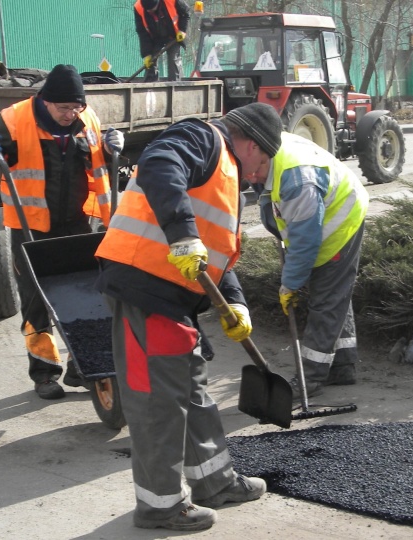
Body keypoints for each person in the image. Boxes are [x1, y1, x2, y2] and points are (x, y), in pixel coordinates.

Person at [93, 102, 283, 532]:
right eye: (264, 161)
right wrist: (181, 234)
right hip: (144, 288)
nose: (260, 173)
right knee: (158, 402)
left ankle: (215, 482)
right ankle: (160, 506)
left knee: (193, 390)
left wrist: (235, 303)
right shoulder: (202, 138)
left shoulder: (227, 173)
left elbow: (217, 253)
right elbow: (158, 164)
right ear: (251, 144)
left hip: (172, 296)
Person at [0, 64, 124, 400]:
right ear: (45, 101)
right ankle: (44, 373)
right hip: (31, 229)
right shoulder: (14, 120)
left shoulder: (87, 119)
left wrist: (111, 146)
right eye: (63, 108)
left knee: (87, 297)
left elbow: (98, 158)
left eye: (75, 107)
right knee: (36, 302)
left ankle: (83, 366)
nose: (70, 114)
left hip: (77, 225)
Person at [248, 130, 369, 399]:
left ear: (262, 153)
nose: (250, 178)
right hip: (321, 215)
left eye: (254, 173)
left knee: (326, 301)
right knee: (335, 295)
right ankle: (343, 366)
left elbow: (305, 243)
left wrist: (289, 284)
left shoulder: (297, 178)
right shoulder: (267, 150)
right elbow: (270, 198)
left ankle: (310, 379)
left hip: (340, 221)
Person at [134, 0, 191, 82]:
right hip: (155, 38)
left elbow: (185, 13)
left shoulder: (172, 1)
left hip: (173, 36)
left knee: (173, 59)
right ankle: (149, 86)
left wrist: (182, 30)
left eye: (152, 9)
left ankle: (174, 85)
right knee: (150, 62)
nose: (149, 12)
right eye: (147, 10)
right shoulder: (138, 7)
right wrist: (146, 54)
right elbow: (142, 32)